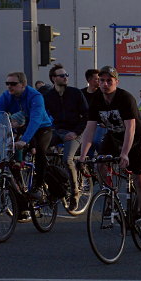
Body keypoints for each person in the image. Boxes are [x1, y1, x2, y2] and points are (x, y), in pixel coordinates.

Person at [78, 66, 141, 242]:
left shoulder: (125, 98)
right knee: (99, 163)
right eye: (101, 80)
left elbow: (131, 128)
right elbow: (90, 129)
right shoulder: (97, 99)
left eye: (109, 81)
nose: (104, 84)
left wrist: (125, 154)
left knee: (139, 181)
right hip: (113, 137)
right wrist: (82, 156)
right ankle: (110, 193)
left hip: (135, 140)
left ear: (116, 82)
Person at [0, 72, 53, 198]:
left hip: (42, 127)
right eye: (7, 83)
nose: (9, 86)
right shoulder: (7, 96)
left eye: (13, 84)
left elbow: (35, 120)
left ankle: (39, 185)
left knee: (40, 151)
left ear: (23, 85)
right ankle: (19, 187)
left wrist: (25, 140)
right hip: (23, 126)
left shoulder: (35, 96)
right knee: (11, 155)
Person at [42, 64, 89, 210]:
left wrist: (76, 132)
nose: (65, 77)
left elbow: (87, 115)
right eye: (61, 75)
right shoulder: (48, 96)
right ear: (53, 79)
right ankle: (53, 184)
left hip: (75, 131)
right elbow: (42, 115)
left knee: (67, 159)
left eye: (66, 75)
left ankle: (75, 192)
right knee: (39, 152)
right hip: (57, 130)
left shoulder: (75, 93)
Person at [81, 68, 105, 154]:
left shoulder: (103, 93)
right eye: (97, 79)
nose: (99, 81)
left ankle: (103, 159)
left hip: (100, 123)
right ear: (89, 80)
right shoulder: (81, 93)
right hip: (85, 123)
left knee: (96, 141)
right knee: (86, 145)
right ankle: (88, 164)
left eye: (100, 79)